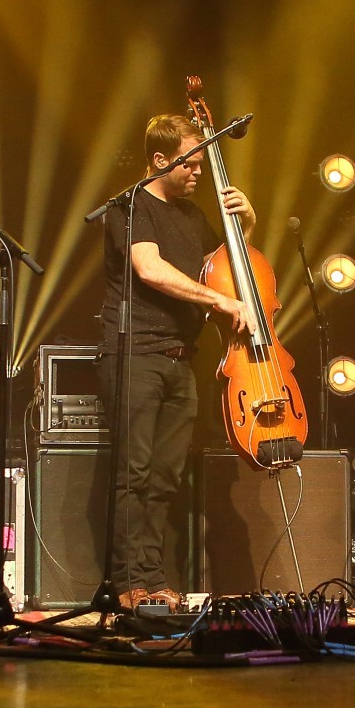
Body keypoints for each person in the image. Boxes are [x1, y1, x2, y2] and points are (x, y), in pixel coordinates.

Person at [99, 112, 254, 611]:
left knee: (165, 477)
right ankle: (127, 581)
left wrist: (246, 226)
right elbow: (150, 268)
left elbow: (229, 269)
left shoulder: (193, 217)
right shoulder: (130, 206)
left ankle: (154, 574)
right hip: (135, 353)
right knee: (134, 472)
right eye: (190, 162)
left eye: (204, 165)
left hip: (180, 359)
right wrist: (219, 303)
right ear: (160, 159)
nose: (199, 173)